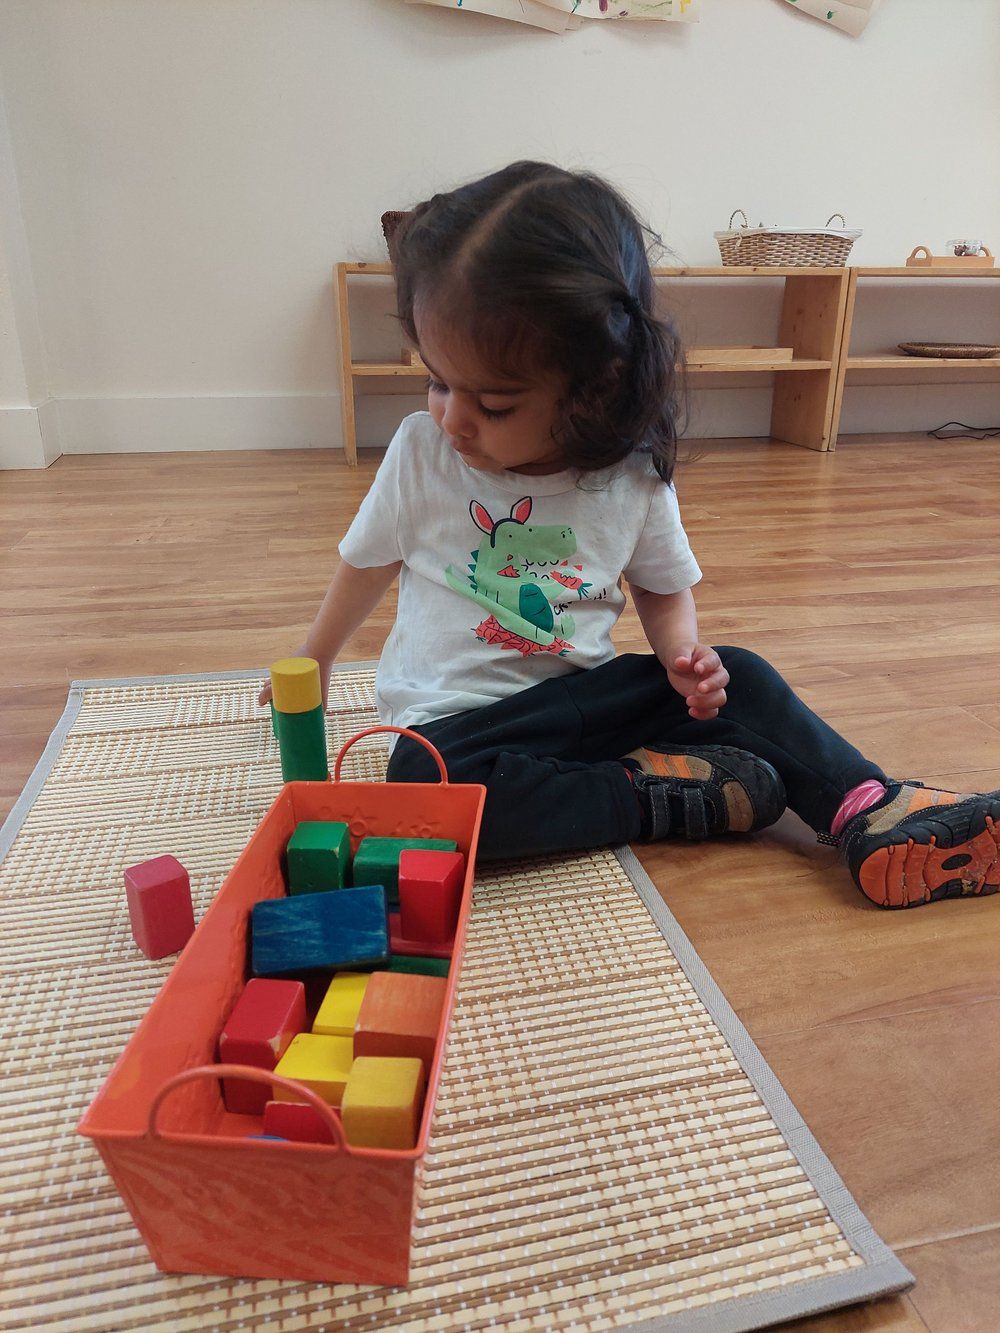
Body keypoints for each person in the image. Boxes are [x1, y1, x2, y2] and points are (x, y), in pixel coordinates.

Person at [261, 161, 999, 910]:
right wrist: (316, 657)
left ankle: (869, 805)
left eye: (493, 403)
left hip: (586, 698)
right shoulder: (421, 453)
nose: (453, 417)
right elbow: (366, 563)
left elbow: (661, 586)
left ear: (596, 387)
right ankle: (651, 794)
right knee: (421, 789)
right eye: (438, 381)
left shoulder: (631, 475)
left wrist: (685, 660)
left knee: (742, 676)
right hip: (458, 728)